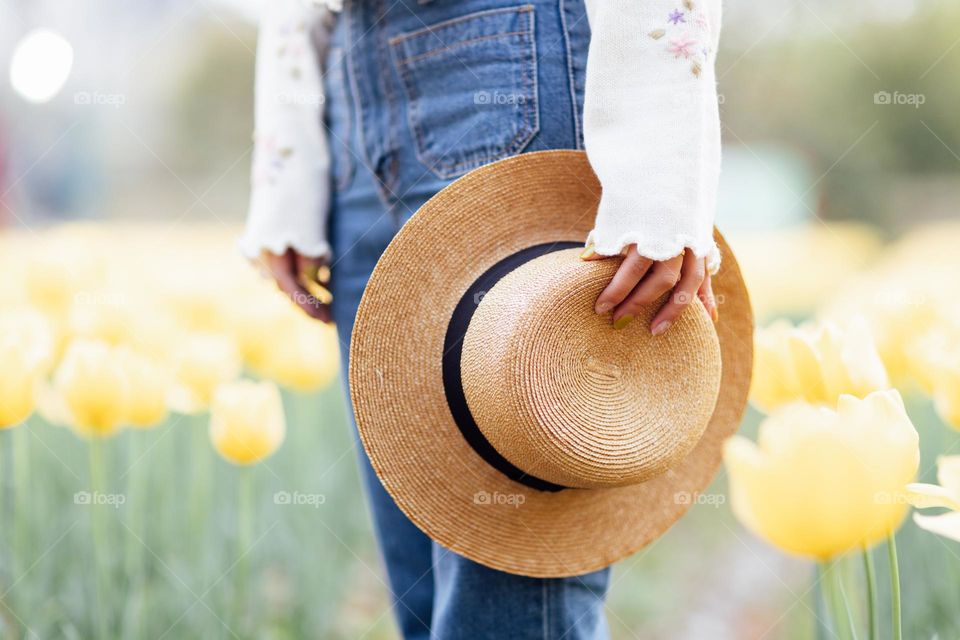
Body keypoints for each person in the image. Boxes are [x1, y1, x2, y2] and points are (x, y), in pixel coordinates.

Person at [241, 1, 722, 637]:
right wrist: (287, 166)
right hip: (349, 83)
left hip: (508, 54)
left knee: (505, 611)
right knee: (425, 603)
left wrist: (660, 180)